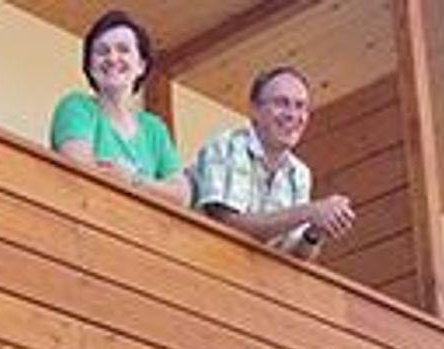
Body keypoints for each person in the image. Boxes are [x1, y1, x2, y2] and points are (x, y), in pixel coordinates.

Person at [191, 64, 355, 257]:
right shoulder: (228, 146)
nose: (292, 115)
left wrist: (314, 233)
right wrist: (308, 212)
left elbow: (296, 255)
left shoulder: (300, 173)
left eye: (300, 106)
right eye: (281, 103)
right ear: (254, 110)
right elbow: (226, 224)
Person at [49, 11, 188, 207]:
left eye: (123, 50)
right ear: (90, 66)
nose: (113, 58)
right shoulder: (77, 107)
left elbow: (181, 194)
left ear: (141, 65)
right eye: (102, 51)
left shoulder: (153, 128)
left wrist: (133, 179)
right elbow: (81, 169)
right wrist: (153, 188)